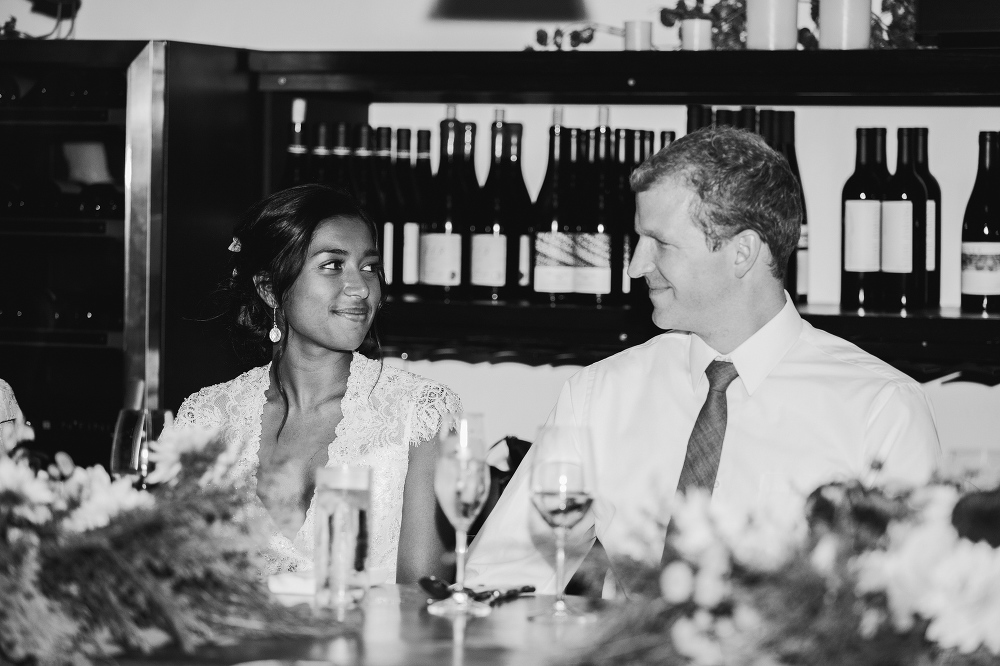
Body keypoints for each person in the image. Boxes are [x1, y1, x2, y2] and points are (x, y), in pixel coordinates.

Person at [465, 126, 941, 594]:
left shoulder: (881, 410)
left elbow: (916, 611)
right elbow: (502, 578)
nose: (635, 266)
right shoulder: (599, 393)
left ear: (742, 252)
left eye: (661, 243)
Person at [173, 185, 459, 583]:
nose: (361, 287)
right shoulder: (205, 419)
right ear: (270, 288)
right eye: (332, 265)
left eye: (370, 266)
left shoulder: (421, 414)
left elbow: (425, 596)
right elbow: (173, 582)